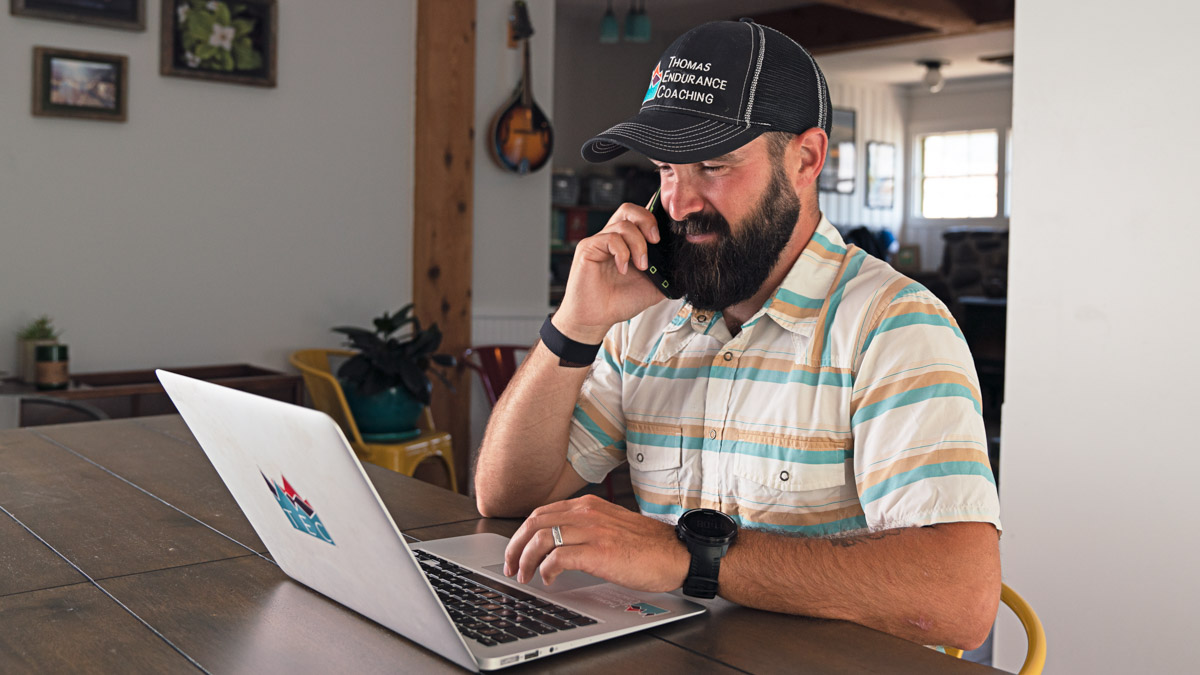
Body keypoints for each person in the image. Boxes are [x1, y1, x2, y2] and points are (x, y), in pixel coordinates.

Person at [474, 19, 1001, 650]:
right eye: (666, 168)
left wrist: (688, 557)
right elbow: (507, 495)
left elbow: (959, 599)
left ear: (806, 159)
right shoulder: (646, 320)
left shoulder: (893, 327)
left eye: (713, 165)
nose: (677, 202)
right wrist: (574, 325)